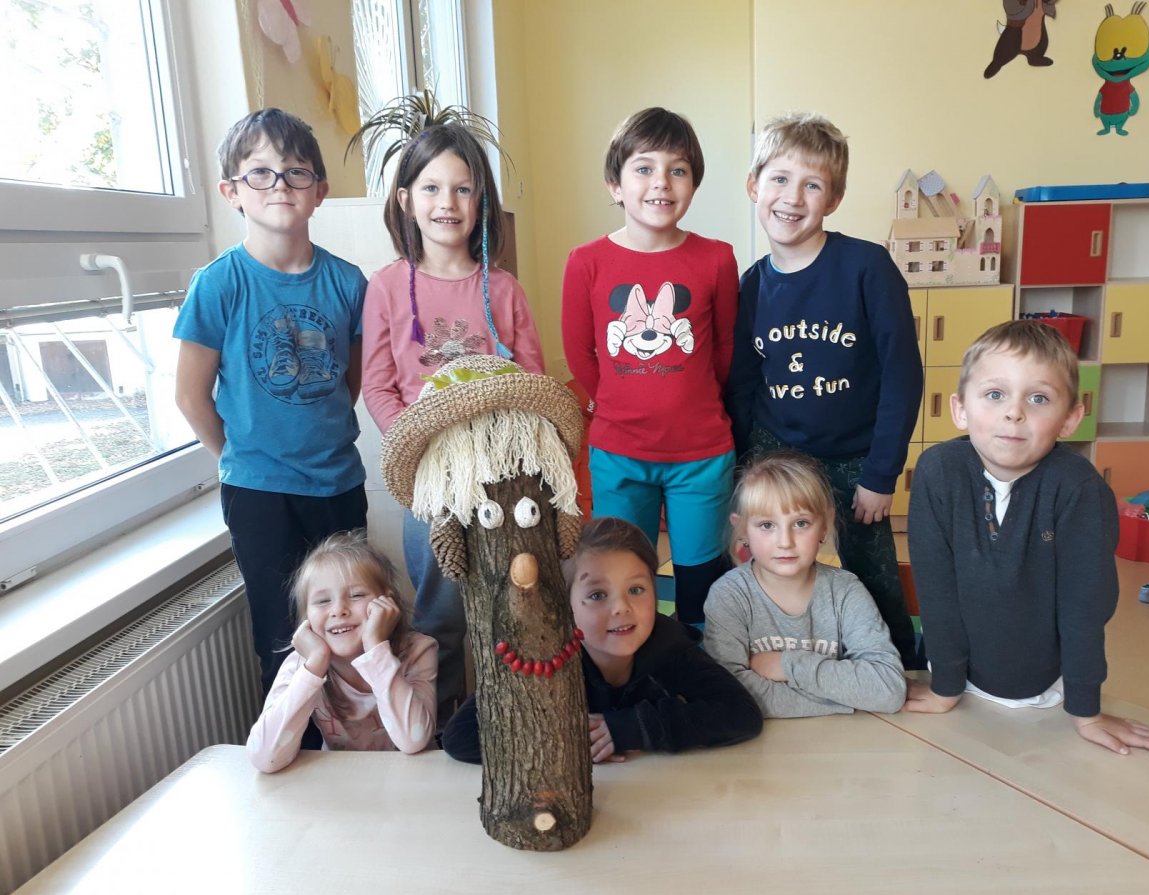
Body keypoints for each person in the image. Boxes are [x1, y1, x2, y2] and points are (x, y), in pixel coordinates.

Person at [905, 321, 1149, 756]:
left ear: (1070, 418)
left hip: (1045, 692)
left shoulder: (1080, 490)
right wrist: (945, 687)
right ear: (960, 409)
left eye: (1038, 398)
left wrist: (1087, 712)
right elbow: (937, 590)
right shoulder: (937, 471)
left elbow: (1084, 608)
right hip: (954, 679)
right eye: (995, 394)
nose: (1014, 413)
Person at [174, 108, 369, 700]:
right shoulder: (218, 284)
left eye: (296, 171)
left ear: (319, 192)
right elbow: (190, 395)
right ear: (231, 191)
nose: (280, 185)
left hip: (338, 485)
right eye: (260, 172)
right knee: (282, 640)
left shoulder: (349, 283)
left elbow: (348, 383)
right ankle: (291, 744)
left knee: (350, 634)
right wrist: (242, 457)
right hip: (259, 494)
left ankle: (354, 741)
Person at [725, 111, 924, 669]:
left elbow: (902, 375)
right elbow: (743, 383)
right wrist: (744, 467)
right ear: (754, 186)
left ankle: (899, 665)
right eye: (780, 179)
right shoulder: (751, 286)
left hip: (855, 456)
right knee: (769, 560)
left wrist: (881, 474)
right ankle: (769, 654)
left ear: (832, 199)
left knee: (873, 571)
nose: (792, 197)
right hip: (778, 450)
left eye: (812, 185)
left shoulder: (866, 267)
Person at [360, 122, 544, 728]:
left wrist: (507, 454)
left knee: (510, 603)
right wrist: (421, 454)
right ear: (406, 199)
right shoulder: (387, 287)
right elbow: (378, 385)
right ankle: (437, 729)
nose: (448, 203)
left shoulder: (504, 289)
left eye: (463, 189)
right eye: (432, 188)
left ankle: (512, 724)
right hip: (430, 485)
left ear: (480, 200)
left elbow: (531, 382)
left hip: (503, 479)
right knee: (440, 616)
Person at [561, 107, 739, 627]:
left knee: (702, 584)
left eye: (677, 170)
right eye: (644, 168)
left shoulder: (717, 259)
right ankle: (630, 665)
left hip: (701, 455)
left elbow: (723, 350)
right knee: (621, 579)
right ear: (615, 184)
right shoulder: (586, 261)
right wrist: (619, 401)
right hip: (619, 453)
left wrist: (688, 399)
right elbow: (581, 353)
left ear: (693, 184)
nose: (661, 182)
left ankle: (697, 663)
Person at [441, 516, 763, 764]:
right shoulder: (543, 656)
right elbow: (461, 738)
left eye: (636, 589)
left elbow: (740, 714)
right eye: (597, 595)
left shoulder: (671, 648)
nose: (622, 607)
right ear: (564, 607)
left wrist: (635, 728)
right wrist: (572, 740)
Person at [705, 451, 905, 717]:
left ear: (824, 527)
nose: (785, 542)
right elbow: (728, 695)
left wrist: (786, 664)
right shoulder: (728, 596)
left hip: (840, 738)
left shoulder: (845, 591)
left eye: (801, 523)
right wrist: (847, 700)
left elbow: (888, 689)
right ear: (742, 530)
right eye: (767, 525)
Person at [247, 530, 437, 772]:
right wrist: (315, 664)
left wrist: (375, 647)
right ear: (307, 616)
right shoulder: (302, 664)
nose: (338, 610)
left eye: (356, 595)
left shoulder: (418, 651)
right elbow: (264, 758)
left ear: (387, 604)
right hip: (340, 782)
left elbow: (413, 740)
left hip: (413, 779)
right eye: (322, 601)